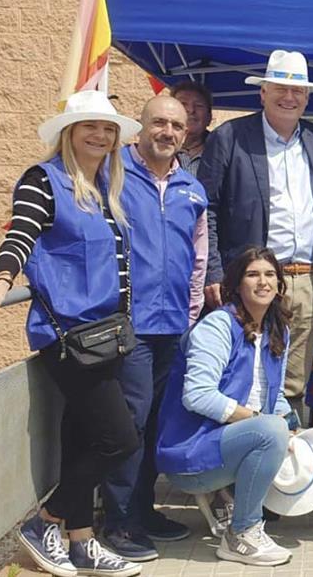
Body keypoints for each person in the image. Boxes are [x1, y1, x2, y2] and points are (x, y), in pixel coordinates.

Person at [0, 90, 143, 577]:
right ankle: (43, 522)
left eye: (108, 129)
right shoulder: (42, 180)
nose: (100, 134)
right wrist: (3, 280)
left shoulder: (105, 190)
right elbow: (20, 233)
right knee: (120, 440)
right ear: (68, 133)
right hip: (68, 337)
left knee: (83, 436)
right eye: (90, 126)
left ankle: (81, 540)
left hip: (106, 334)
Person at [198, 50, 313, 419]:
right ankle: (239, 466)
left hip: (305, 280)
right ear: (262, 93)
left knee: (294, 383)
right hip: (251, 280)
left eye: (298, 91)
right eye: (280, 88)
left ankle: (287, 465)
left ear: (307, 97)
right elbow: (205, 208)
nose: (289, 97)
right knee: (244, 376)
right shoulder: (231, 137)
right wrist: (213, 272)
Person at [100, 96, 209, 558]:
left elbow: (199, 256)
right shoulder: (113, 174)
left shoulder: (191, 188)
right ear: (140, 128)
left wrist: (191, 310)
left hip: (173, 326)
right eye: (159, 123)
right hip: (129, 324)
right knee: (130, 424)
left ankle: (142, 510)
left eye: (177, 126)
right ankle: (117, 523)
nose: (167, 132)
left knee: (155, 423)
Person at [156, 247, 299, 567]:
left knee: (288, 430)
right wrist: (263, 421)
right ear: (235, 284)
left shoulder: (279, 330)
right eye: (253, 275)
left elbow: (273, 395)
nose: (263, 282)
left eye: (270, 274)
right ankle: (241, 533)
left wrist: (291, 424)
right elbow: (197, 395)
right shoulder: (218, 326)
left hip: (233, 441)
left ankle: (242, 517)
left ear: (279, 284)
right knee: (271, 430)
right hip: (191, 453)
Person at [171, 80, 213, 178]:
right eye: (183, 104)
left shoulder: (221, 152)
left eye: (199, 105)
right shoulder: (157, 150)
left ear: (209, 118)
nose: (191, 110)